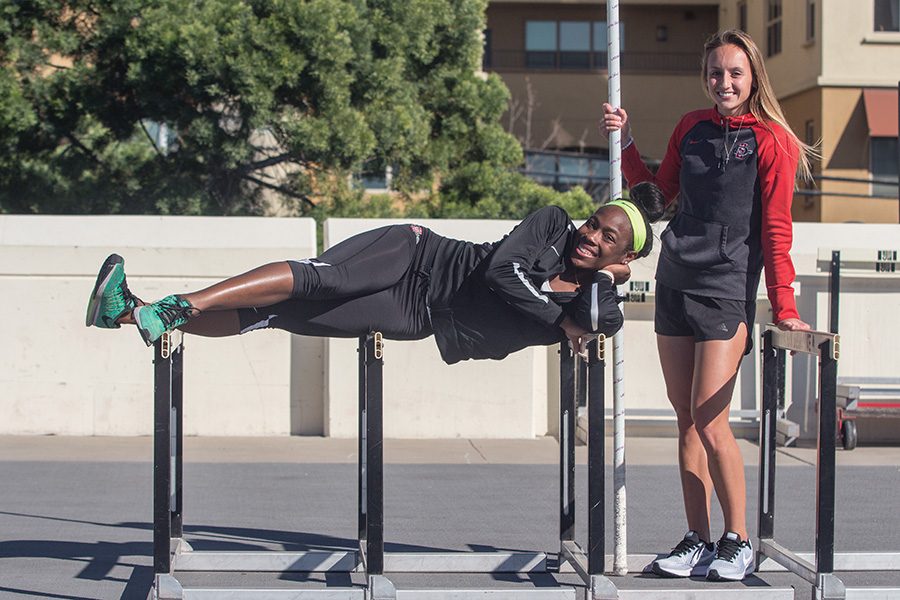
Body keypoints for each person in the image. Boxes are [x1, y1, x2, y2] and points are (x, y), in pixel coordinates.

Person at [603, 29, 814, 582]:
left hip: (725, 290)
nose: (724, 82)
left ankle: (737, 540)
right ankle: (696, 539)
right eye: (716, 73)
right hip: (675, 280)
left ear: (753, 78)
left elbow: (775, 232)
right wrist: (625, 144)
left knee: (709, 417)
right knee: (686, 422)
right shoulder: (690, 128)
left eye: (735, 73)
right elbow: (657, 196)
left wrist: (784, 307)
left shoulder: (774, 141)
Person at [86, 183, 665, 364]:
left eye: (606, 236)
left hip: (420, 315)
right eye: (594, 223)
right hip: (418, 257)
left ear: (626, 254)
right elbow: (499, 272)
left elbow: (602, 325)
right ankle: (179, 304)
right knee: (321, 280)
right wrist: (558, 319)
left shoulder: (599, 292)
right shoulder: (551, 224)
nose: (589, 235)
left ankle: (132, 312)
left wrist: (602, 286)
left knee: (279, 316)